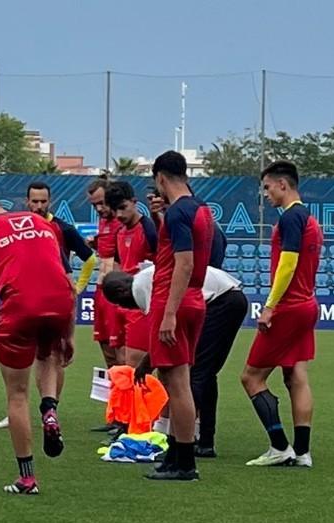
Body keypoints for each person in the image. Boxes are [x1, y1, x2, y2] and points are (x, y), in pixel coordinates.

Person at [0, 199, 75, 495]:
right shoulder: (43, 223)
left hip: (20, 307)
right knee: (50, 353)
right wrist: (70, 332)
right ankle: (50, 407)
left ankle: (27, 478)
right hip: (60, 302)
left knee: (16, 395)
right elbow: (68, 281)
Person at [102, 264, 247, 459]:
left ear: (122, 291)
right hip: (228, 297)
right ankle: (203, 440)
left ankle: (182, 440)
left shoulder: (141, 288)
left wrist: (145, 365)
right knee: (205, 372)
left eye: (120, 303)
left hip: (221, 301)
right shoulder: (146, 278)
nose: (124, 308)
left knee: (194, 374)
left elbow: (160, 338)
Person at [242, 161, 320, 468]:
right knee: (295, 375)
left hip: (288, 307)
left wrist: (270, 305)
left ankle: (279, 447)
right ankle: (302, 453)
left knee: (250, 377)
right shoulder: (309, 219)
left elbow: (288, 264)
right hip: (307, 305)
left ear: (283, 185)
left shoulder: (290, 218)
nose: (266, 194)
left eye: (267, 187)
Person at [145, 150, 215, 481]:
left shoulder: (179, 213)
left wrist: (169, 313)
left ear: (160, 178)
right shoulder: (201, 209)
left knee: (177, 384)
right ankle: (176, 454)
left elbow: (183, 263)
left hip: (173, 300)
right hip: (194, 298)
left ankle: (185, 460)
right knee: (178, 381)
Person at [103, 182, 158, 367]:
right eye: (114, 210)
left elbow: (162, 263)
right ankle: (123, 397)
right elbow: (119, 264)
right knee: (119, 362)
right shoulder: (119, 232)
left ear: (134, 202)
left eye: (123, 208)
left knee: (134, 363)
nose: (119, 215)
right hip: (120, 303)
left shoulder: (149, 228)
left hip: (139, 304)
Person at [86, 178, 121, 368]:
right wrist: (96, 243)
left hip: (118, 292)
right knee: (106, 347)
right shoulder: (104, 222)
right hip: (101, 290)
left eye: (102, 203)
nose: (99, 209)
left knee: (122, 351)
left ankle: (130, 395)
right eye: (95, 205)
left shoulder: (124, 220)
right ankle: (115, 396)